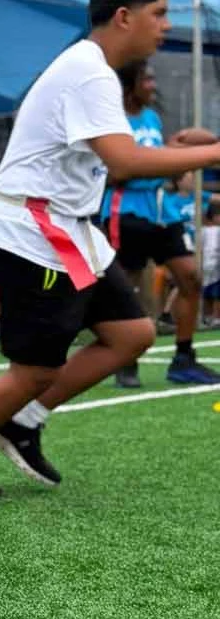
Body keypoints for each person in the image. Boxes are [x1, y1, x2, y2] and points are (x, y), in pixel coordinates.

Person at [0, 0, 220, 501]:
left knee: (131, 333)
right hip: (34, 233)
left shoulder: (93, 69)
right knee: (36, 369)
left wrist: (191, 148)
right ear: (123, 16)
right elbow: (122, 162)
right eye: (158, 13)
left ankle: (22, 424)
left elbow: (116, 160)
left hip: (68, 231)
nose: (165, 25)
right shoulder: (89, 73)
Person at [98, 60, 220, 387]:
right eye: (146, 79)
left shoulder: (151, 118)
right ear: (129, 84)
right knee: (128, 287)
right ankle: (126, 360)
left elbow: (157, 159)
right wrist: (164, 161)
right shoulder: (111, 121)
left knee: (190, 277)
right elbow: (117, 170)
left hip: (160, 212)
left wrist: (178, 152)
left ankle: (183, 357)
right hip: (125, 212)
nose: (153, 85)